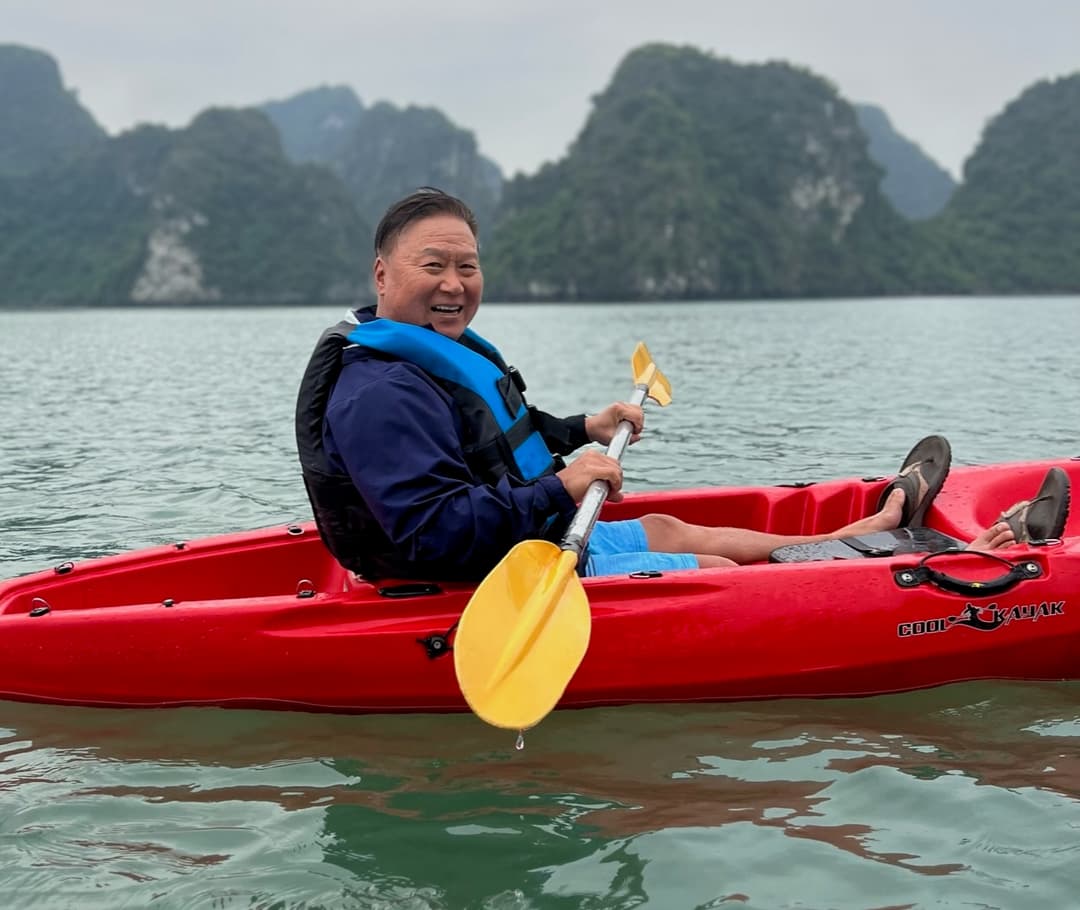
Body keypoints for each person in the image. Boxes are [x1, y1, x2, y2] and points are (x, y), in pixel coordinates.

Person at [295, 188, 1071, 581]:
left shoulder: (422, 366)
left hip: (523, 543)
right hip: (484, 582)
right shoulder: (381, 393)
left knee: (668, 529)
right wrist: (560, 491)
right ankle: (970, 562)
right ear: (383, 274)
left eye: (467, 266)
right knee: (719, 575)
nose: (456, 284)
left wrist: (580, 432)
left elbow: (499, 438)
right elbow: (433, 533)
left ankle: (854, 536)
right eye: (434, 266)